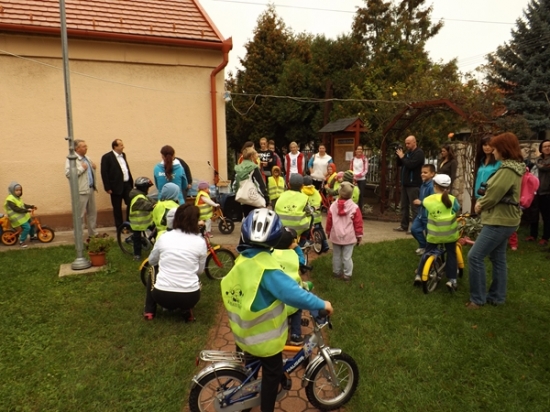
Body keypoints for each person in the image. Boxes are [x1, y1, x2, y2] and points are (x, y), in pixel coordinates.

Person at [220, 208, 333, 412]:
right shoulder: (267, 269)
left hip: (244, 334)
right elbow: (293, 294)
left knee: (251, 368)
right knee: (272, 375)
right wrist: (321, 304)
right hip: (264, 341)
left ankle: (247, 395)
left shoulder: (243, 260)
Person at [467, 132, 525, 309]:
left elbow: (494, 193)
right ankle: (497, 297)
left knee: (475, 256)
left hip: (500, 220)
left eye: (495, 148)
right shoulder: (512, 167)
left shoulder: (507, 170)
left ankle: (477, 299)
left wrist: (480, 205)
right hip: (506, 219)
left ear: (503, 149)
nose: (492, 151)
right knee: (498, 257)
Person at [143, 204, 207, 321]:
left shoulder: (164, 237)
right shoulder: (200, 242)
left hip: (162, 296)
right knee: (192, 272)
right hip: (190, 297)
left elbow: (152, 260)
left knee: (153, 268)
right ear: (195, 221)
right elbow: (200, 271)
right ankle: (186, 309)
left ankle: (149, 311)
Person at [413, 174, 460, 291]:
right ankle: (452, 280)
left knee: (427, 252)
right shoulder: (452, 199)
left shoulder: (428, 200)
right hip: (450, 235)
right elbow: (457, 209)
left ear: (435, 186)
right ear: (448, 187)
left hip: (434, 235)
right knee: (451, 254)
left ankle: (419, 275)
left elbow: (424, 208)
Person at [271, 227, 310, 346]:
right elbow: (302, 262)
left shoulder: (270, 254)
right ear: (290, 244)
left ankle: (275, 334)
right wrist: (297, 248)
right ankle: (295, 335)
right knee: (297, 309)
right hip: (291, 297)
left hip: (274, 297)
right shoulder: (294, 256)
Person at [326, 181, 363, 282]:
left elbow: (329, 220)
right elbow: (358, 223)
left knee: (336, 255)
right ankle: (347, 275)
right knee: (347, 257)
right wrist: (359, 235)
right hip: (349, 236)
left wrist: (328, 231)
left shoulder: (333, 206)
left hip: (336, 235)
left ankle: (336, 272)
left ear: (340, 193)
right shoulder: (354, 207)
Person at [65, 139, 97, 238]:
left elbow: (88, 173)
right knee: (80, 215)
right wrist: (82, 168)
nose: (86, 148)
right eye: (83, 146)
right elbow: (69, 174)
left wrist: (93, 168)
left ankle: (93, 234)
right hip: (80, 191)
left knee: (92, 213)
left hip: (90, 188)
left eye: (86, 146)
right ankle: (79, 236)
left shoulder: (87, 158)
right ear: (77, 148)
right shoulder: (71, 159)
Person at [100, 139, 134, 229]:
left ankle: (129, 224)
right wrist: (107, 187)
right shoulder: (107, 157)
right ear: (115, 147)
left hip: (127, 184)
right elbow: (104, 172)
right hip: (115, 186)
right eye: (121, 145)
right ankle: (119, 227)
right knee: (117, 207)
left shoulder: (123, 155)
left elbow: (125, 169)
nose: (123, 147)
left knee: (131, 203)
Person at [394, 135, 425, 232]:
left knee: (414, 207)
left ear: (414, 142)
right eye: (405, 143)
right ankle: (404, 225)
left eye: (408, 143)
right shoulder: (408, 153)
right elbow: (400, 164)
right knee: (404, 206)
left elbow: (411, 165)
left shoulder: (419, 153)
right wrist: (398, 155)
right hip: (405, 183)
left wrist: (403, 157)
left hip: (414, 184)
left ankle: (415, 227)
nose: (406, 145)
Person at [234, 147, 269, 218]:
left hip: (243, 199)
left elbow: (235, 184)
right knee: (255, 219)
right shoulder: (254, 167)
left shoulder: (238, 168)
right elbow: (260, 184)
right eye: (255, 153)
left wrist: (237, 194)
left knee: (247, 217)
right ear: (251, 156)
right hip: (254, 197)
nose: (257, 155)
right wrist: (266, 197)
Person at [527, 139, 550, 245]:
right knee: (534, 214)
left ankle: (545, 237)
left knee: (546, 216)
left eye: (549, 146)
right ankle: (533, 235)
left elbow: (544, 168)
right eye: (545, 146)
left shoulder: (540, 162)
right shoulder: (538, 160)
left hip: (547, 192)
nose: (547, 148)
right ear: (541, 148)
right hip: (536, 191)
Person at [411, 164, 436, 256]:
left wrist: (421, 203)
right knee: (414, 229)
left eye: (425, 172)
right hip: (420, 214)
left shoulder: (432, 187)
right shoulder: (423, 185)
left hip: (428, 215)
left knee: (429, 235)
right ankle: (423, 246)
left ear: (432, 174)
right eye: (422, 172)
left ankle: (430, 251)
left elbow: (433, 202)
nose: (422, 174)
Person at [128, 177, 155, 260]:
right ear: (143, 188)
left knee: (156, 232)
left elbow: (151, 200)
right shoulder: (138, 198)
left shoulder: (142, 195)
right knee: (137, 239)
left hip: (146, 221)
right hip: (137, 223)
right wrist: (154, 206)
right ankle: (137, 254)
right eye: (148, 188)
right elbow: (147, 205)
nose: (148, 190)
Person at [302, 176, 329, 252]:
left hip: (308, 217)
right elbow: (320, 199)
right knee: (320, 229)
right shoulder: (316, 191)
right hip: (317, 216)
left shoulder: (302, 192)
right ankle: (325, 245)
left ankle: (306, 244)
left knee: (306, 231)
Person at [4, 182, 35, 248]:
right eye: (17, 190)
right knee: (27, 227)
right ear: (12, 190)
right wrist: (27, 210)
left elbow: (23, 205)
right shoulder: (10, 199)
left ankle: (32, 236)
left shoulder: (17, 198)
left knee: (32, 223)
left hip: (22, 216)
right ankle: (21, 241)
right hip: (17, 217)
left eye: (20, 190)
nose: (19, 192)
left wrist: (31, 206)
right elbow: (16, 209)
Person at [350, 145, 368, 212]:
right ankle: (352, 209)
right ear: (355, 151)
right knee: (352, 194)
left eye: (361, 149)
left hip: (361, 180)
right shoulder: (353, 159)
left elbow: (366, 170)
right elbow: (351, 168)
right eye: (358, 149)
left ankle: (359, 211)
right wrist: (353, 176)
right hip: (354, 179)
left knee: (360, 195)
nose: (359, 150)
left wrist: (358, 175)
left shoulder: (364, 159)